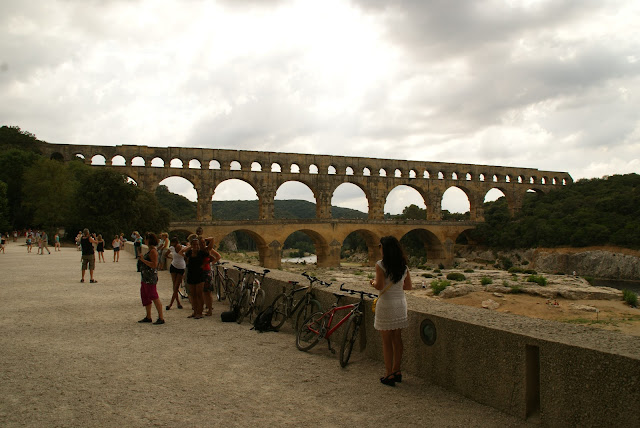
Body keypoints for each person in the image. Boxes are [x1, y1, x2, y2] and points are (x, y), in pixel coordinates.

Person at [369, 236, 412, 387]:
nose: (379, 248)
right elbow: (408, 287)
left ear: (384, 248)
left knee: (386, 341)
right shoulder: (404, 266)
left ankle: (389, 374)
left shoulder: (380, 265)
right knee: (397, 339)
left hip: (386, 304)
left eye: (380, 246)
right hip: (400, 304)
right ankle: (397, 370)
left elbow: (380, 286)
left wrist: (372, 282)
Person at [137, 232, 165, 325]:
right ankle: (148, 316)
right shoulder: (151, 250)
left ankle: (161, 317)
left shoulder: (153, 251)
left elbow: (154, 265)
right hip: (145, 277)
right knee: (145, 296)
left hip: (150, 277)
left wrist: (142, 260)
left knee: (153, 296)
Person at [180, 234, 209, 319]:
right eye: (194, 244)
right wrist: (190, 248)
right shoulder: (189, 253)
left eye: (197, 244)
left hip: (199, 275)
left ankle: (200, 312)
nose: (196, 246)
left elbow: (210, 258)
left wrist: (204, 264)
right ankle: (195, 312)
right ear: (191, 245)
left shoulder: (202, 253)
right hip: (191, 274)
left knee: (199, 294)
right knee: (193, 295)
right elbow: (181, 253)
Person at [165, 237, 185, 311]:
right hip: (173, 267)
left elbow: (187, 256)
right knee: (175, 286)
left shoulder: (183, 248)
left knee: (176, 286)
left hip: (181, 268)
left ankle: (170, 304)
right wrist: (172, 259)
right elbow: (166, 255)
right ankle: (178, 303)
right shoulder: (172, 248)